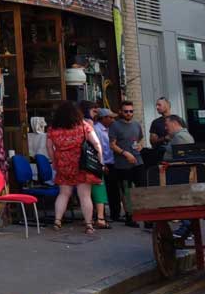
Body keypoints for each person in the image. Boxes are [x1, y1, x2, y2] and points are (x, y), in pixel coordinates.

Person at [46, 101, 105, 235]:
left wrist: (54, 161)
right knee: (84, 196)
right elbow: (96, 144)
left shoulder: (52, 129)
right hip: (82, 164)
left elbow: (49, 147)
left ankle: (57, 221)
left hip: (63, 164)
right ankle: (89, 225)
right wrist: (99, 161)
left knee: (63, 194)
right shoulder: (83, 126)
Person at [108, 99, 144, 227]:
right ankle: (130, 216)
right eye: (126, 111)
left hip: (138, 161)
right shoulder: (115, 126)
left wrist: (140, 146)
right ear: (120, 112)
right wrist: (125, 153)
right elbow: (112, 145)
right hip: (122, 164)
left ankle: (145, 216)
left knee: (141, 188)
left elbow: (139, 140)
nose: (129, 113)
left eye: (131, 111)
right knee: (126, 190)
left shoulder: (136, 124)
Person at [91, 107, 117, 229]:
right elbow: (99, 147)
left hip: (112, 161)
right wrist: (102, 164)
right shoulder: (97, 130)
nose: (112, 120)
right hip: (104, 163)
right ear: (103, 118)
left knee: (112, 189)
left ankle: (113, 213)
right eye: (110, 117)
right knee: (103, 189)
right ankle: (101, 215)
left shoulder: (109, 129)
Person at [147, 97, 185, 162]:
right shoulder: (156, 122)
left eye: (159, 105)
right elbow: (152, 142)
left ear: (167, 105)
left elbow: (184, 136)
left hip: (177, 155)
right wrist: (164, 138)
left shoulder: (178, 120)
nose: (157, 107)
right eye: (156, 105)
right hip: (161, 156)